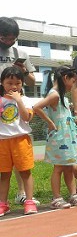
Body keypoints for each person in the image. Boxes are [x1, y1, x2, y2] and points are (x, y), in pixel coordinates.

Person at [32, 66, 77, 208]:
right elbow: (36, 107)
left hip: (67, 136)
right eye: (73, 81)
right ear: (65, 78)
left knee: (69, 166)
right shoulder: (54, 95)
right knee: (59, 167)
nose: (73, 85)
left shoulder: (61, 96)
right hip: (59, 137)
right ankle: (56, 197)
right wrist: (50, 122)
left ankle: (73, 194)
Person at [0, 17, 39, 207]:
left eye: (13, 38)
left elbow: (31, 81)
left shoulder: (20, 53)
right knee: (4, 164)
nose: (9, 41)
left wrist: (23, 71)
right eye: (5, 38)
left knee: (19, 155)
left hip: (17, 104)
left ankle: (22, 193)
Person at [0, 67, 38, 216]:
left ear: (22, 84)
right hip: (3, 141)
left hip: (21, 140)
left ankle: (29, 202)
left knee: (25, 172)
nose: (14, 86)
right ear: (2, 83)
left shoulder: (26, 100)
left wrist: (18, 100)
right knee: (4, 174)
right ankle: (3, 204)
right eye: (9, 83)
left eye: (17, 83)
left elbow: (26, 117)